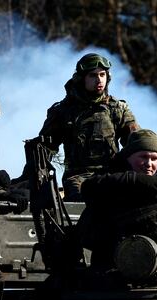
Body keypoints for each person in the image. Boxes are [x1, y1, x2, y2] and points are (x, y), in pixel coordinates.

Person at [77, 129, 157, 265]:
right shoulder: (112, 173)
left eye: (154, 159)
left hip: (156, 259)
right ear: (129, 156)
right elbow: (89, 188)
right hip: (111, 258)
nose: (149, 163)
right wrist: (133, 180)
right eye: (143, 157)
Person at [38, 53, 140, 201]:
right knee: (82, 204)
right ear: (81, 79)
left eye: (102, 75)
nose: (99, 80)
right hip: (78, 177)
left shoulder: (117, 109)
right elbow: (43, 150)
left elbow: (138, 143)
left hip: (112, 175)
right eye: (93, 75)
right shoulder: (63, 111)